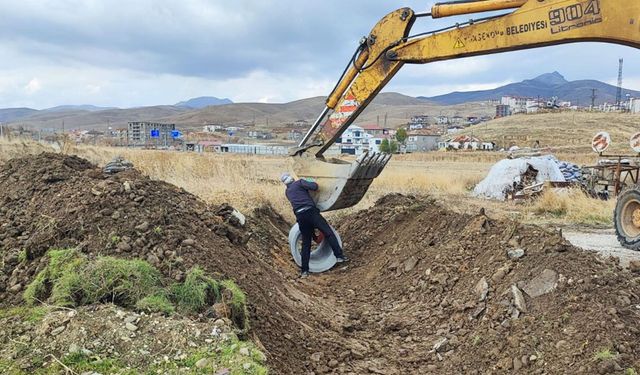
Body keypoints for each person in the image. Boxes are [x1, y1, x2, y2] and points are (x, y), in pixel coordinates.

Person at [280, 173, 348, 278]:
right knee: (328, 232)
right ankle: (339, 256)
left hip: (300, 216)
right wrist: (310, 180)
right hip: (311, 212)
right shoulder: (300, 183)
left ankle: (304, 271)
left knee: (306, 243)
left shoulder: (287, 192)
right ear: (292, 178)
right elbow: (315, 187)